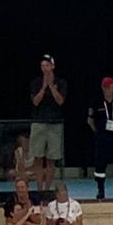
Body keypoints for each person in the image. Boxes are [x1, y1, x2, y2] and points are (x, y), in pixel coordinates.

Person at [28, 55, 67, 196]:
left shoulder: (61, 82)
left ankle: (47, 189)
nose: (45, 68)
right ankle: (39, 189)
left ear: (53, 67)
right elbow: (35, 101)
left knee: (51, 159)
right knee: (38, 157)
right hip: (39, 122)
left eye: (47, 66)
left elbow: (60, 101)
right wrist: (44, 87)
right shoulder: (36, 83)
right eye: (43, 66)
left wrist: (51, 86)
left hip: (55, 124)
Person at [88, 76, 113, 199]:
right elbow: (90, 121)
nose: (107, 90)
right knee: (100, 164)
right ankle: (100, 191)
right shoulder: (96, 103)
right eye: (105, 87)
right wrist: (98, 132)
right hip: (102, 138)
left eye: (109, 87)